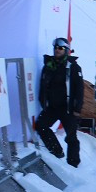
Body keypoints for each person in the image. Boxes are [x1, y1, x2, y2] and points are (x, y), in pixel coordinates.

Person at [36, 37, 84, 167]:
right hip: (52, 107)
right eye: (56, 47)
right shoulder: (48, 65)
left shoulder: (73, 67)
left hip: (68, 109)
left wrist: (77, 109)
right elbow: (42, 85)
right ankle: (57, 151)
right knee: (41, 125)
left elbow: (79, 89)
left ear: (67, 50)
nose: (57, 50)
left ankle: (73, 164)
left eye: (61, 48)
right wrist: (43, 102)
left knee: (71, 137)